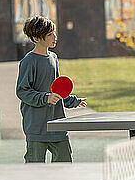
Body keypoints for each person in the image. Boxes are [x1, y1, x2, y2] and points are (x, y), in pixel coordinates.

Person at [16, 15, 87, 163]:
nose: (54, 37)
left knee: (65, 163)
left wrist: (74, 101)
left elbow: (58, 90)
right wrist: (45, 97)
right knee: (34, 167)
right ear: (36, 38)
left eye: (54, 32)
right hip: (36, 128)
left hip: (57, 125)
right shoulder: (28, 62)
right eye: (49, 34)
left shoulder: (53, 58)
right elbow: (22, 91)